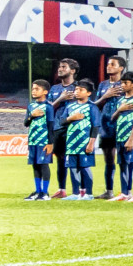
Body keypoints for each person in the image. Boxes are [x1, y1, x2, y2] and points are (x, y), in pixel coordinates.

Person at [93, 55, 127, 199]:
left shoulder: (126, 84)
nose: (109, 66)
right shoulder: (103, 85)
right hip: (105, 126)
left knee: (123, 159)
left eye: (112, 64)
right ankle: (109, 190)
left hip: (121, 125)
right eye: (108, 64)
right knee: (108, 160)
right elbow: (95, 105)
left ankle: (126, 191)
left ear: (121, 68)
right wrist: (105, 96)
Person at [60, 81, 100, 200]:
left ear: (88, 93)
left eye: (81, 90)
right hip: (71, 143)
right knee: (72, 167)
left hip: (84, 143)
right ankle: (75, 193)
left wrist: (91, 143)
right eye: (76, 89)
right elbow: (61, 121)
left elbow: (96, 126)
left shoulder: (92, 107)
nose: (77, 92)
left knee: (84, 167)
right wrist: (70, 118)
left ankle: (89, 193)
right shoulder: (70, 106)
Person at [47, 57, 80, 199]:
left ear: (72, 70)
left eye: (64, 67)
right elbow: (48, 109)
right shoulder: (55, 89)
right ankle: (62, 189)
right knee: (60, 159)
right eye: (59, 67)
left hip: (74, 128)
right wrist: (60, 99)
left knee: (74, 158)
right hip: (57, 128)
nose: (60, 69)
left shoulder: (78, 88)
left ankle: (79, 190)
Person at [112, 72, 133, 202]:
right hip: (120, 137)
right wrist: (120, 109)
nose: (123, 85)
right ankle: (125, 192)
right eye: (122, 82)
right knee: (122, 164)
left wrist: (131, 138)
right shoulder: (119, 100)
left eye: (126, 83)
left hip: (132, 138)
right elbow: (112, 118)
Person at [25, 79, 53, 200]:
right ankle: (37, 191)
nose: (34, 91)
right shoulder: (31, 106)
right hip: (32, 140)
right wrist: (32, 115)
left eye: (37, 89)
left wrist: (50, 143)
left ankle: (45, 193)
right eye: (33, 88)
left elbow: (51, 126)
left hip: (43, 141)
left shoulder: (48, 107)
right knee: (35, 166)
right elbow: (26, 123)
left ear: (45, 91)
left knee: (43, 165)